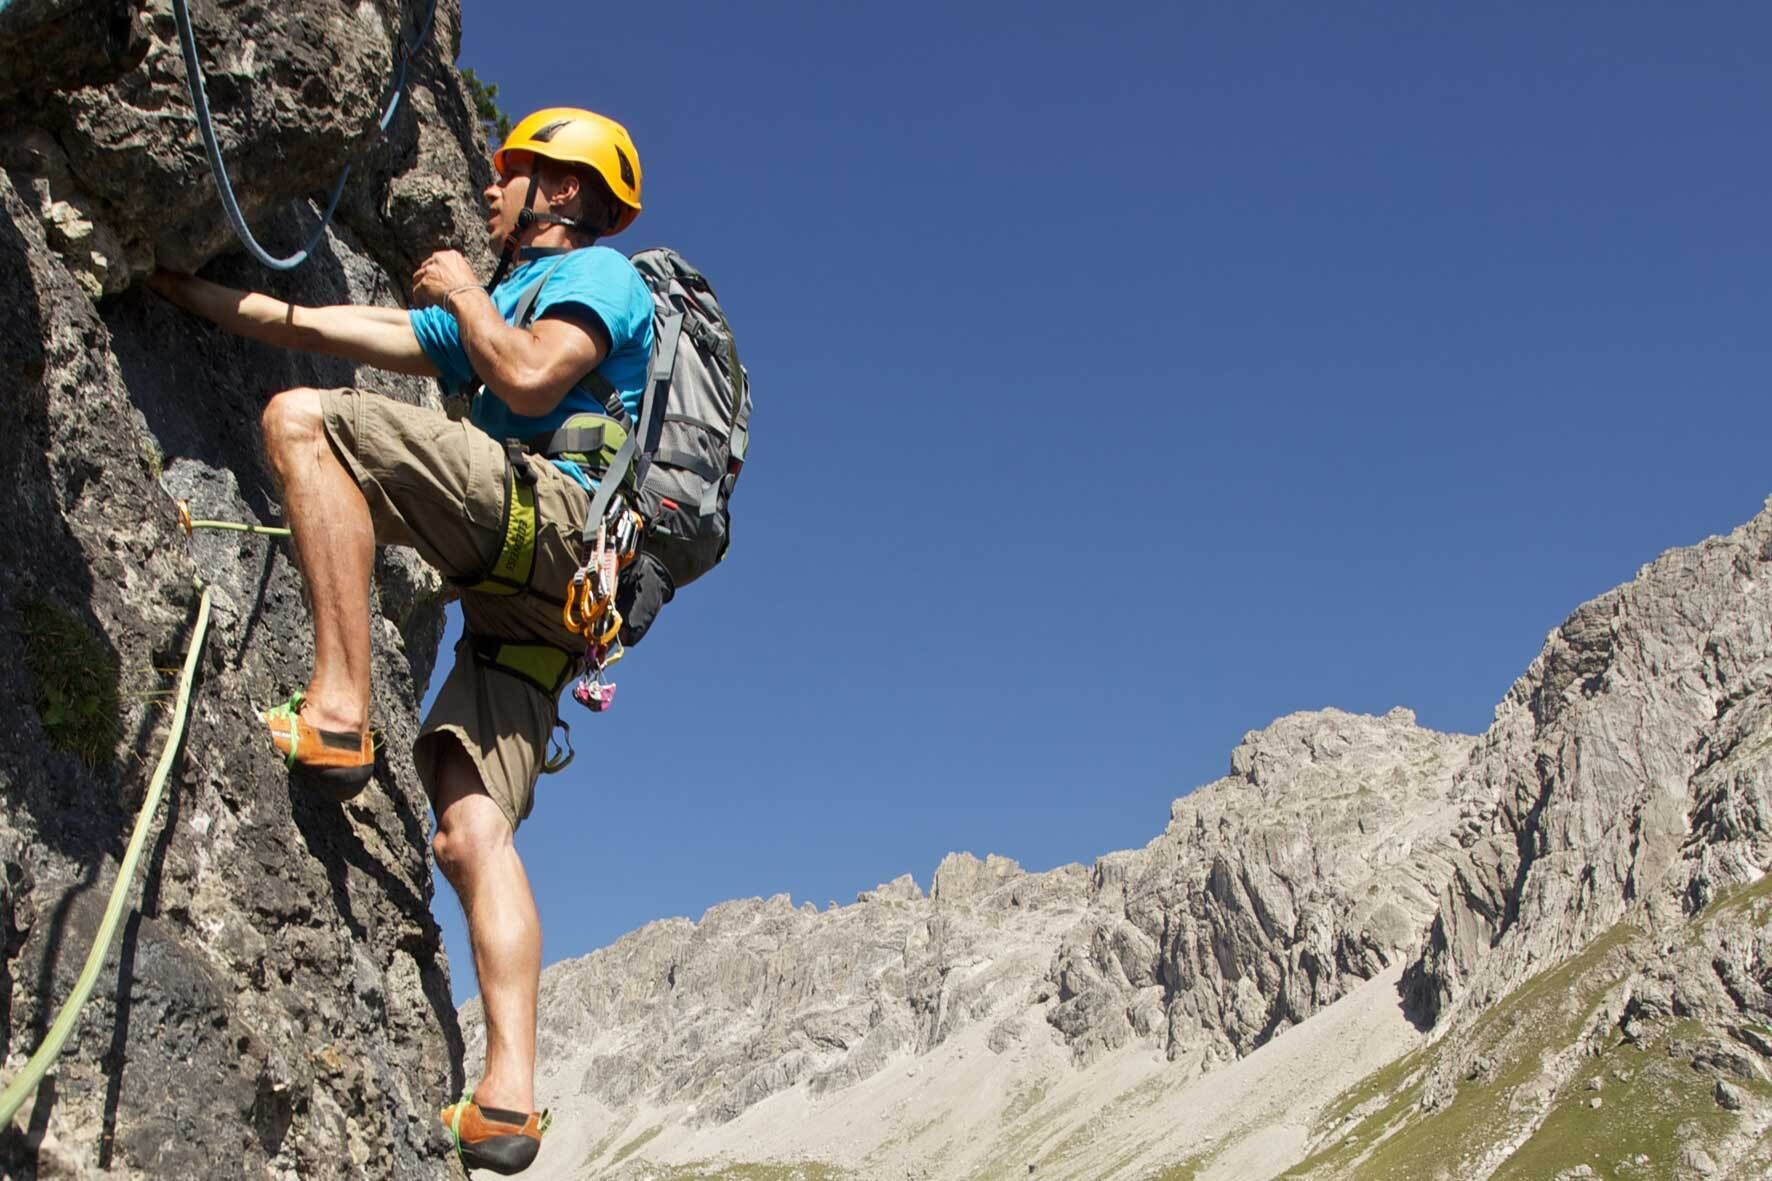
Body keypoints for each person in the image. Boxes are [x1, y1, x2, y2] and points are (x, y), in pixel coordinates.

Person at [149, 107, 663, 1175]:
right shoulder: (490, 312)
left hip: (551, 526)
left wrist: (467, 295)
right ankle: (507, 1102)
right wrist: (181, 289)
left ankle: (338, 710)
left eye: (509, 171)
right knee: (469, 825)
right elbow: (318, 325)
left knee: (303, 422)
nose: (489, 187)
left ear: (559, 192)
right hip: (533, 600)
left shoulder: (601, 281)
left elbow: (526, 379)